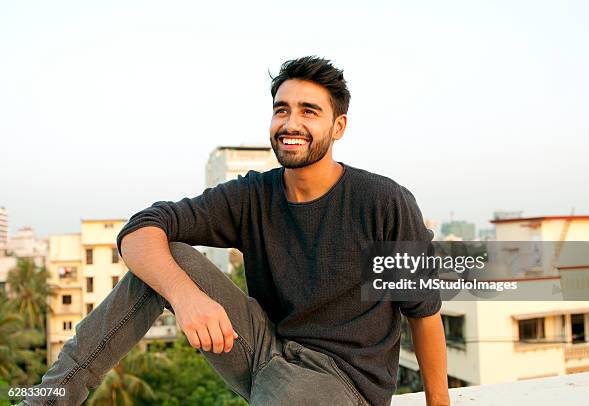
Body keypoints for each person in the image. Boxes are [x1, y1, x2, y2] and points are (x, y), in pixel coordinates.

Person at [24, 56, 450, 406]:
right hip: (262, 349)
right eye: (282, 109)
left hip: (342, 383)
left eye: (309, 111)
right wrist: (185, 296)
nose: (290, 123)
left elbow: (424, 314)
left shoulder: (382, 201)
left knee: (290, 395)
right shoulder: (253, 195)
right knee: (165, 258)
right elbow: (139, 230)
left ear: (338, 127)